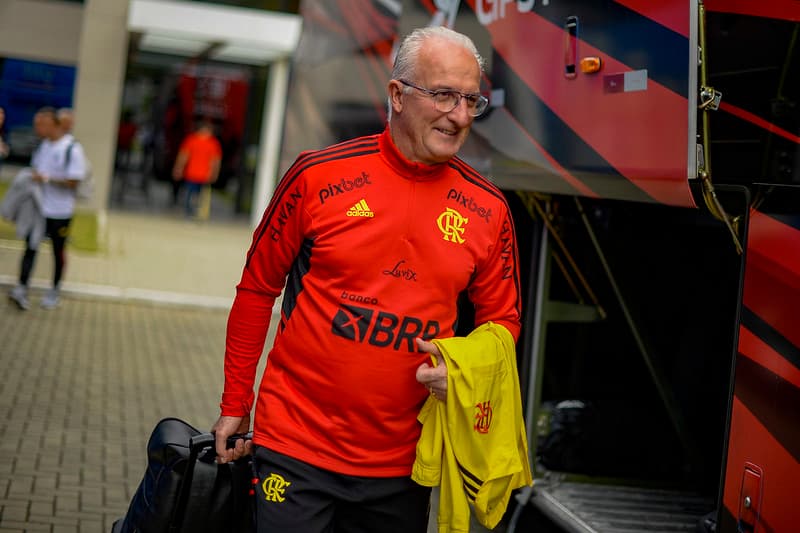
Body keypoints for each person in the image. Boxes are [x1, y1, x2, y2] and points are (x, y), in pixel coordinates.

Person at [211, 26, 522, 532]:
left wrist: (465, 375)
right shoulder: (316, 176)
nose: (460, 115)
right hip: (295, 444)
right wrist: (234, 404)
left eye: (471, 100)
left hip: (403, 465)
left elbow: (502, 321)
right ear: (397, 95)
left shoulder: (488, 209)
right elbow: (256, 291)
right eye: (443, 95)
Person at [7, 106, 87, 310]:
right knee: (30, 247)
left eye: (40, 124)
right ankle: (22, 288)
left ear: (54, 124)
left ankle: (54, 290)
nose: (37, 128)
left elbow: (73, 182)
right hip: (38, 208)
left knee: (57, 251)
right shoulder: (43, 146)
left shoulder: (72, 149)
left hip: (60, 212)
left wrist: (47, 179)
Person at [171, 119, 221, 220]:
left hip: (202, 174)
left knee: (197, 195)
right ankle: (190, 212)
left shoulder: (212, 143)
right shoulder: (193, 140)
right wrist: (178, 168)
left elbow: (215, 160)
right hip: (193, 174)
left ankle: (193, 212)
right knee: (191, 194)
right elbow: (184, 155)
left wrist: (214, 173)